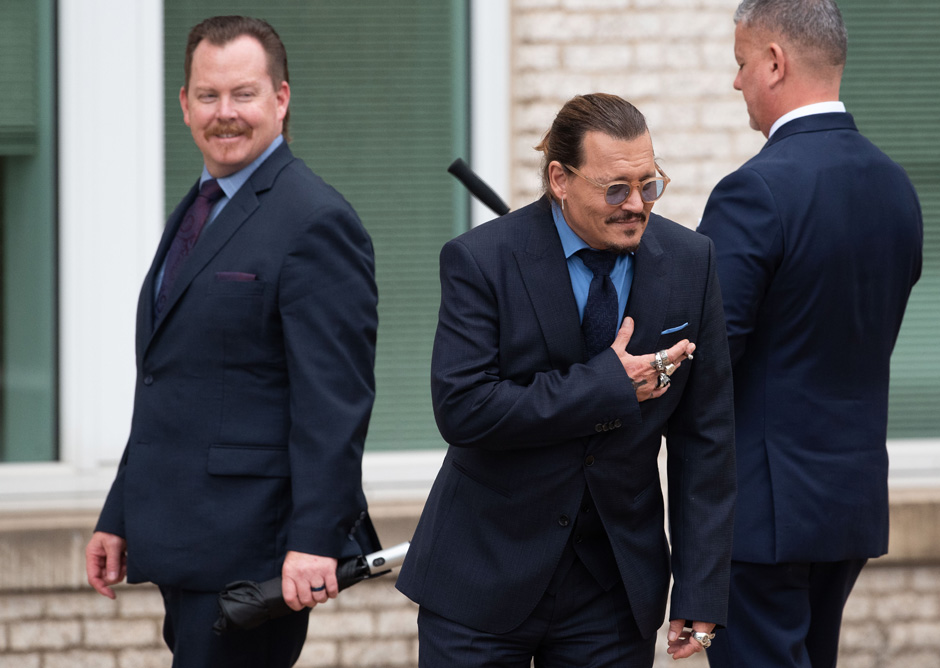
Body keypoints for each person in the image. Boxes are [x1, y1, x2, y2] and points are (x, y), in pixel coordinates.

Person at [397, 93, 737, 666]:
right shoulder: (481, 260)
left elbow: (706, 440)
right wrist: (608, 387)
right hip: (481, 576)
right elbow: (463, 406)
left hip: (612, 588)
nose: (637, 205)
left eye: (649, 185)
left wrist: (700, 586)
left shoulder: (692, 261)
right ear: (560, 177)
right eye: (615, 189)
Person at [84, 16, 380, 668]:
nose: (226, 114)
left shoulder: (315, 220)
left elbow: (333, 403)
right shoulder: (199, 206)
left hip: (254, 549)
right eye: (209, 96)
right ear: (184, 105)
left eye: (243, 94)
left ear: (280, 98)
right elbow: (175, 377)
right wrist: (120, 512)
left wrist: (314, 539)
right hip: (185, 536)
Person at [697, 1, 923, 666]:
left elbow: (710, 352)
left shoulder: (754, 191)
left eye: (741, 64)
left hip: (764, 513)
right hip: (847, 501)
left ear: (775, 62)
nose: (736, 82)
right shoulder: (895, 188)